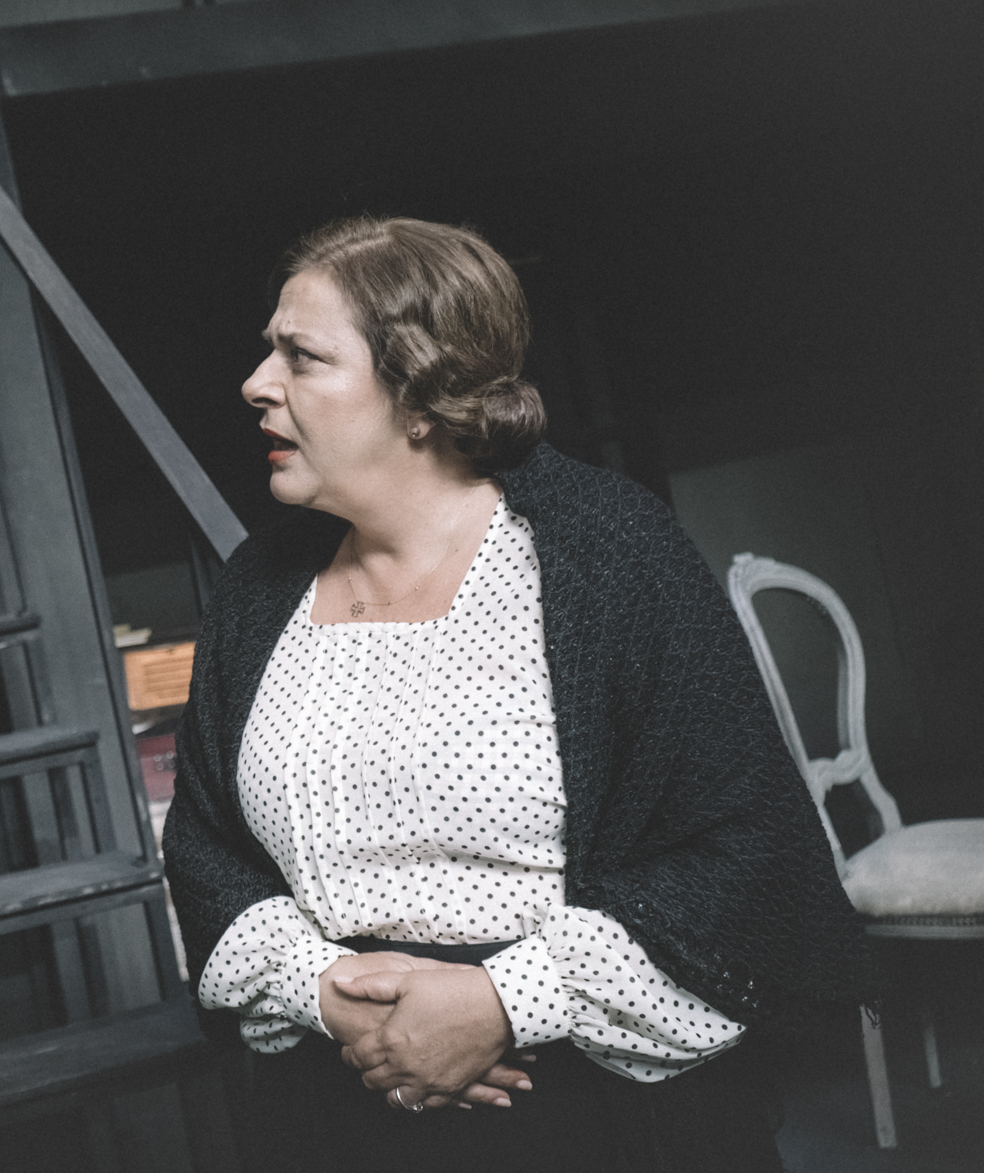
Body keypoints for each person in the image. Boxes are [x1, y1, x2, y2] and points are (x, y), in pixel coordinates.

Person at [162, 217, 871, 1172]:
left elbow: (750, 849)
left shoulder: (607, 555)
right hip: (341, 1102)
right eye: (268, 350)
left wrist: (504, 1000)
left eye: (302, 355)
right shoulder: (259, 588)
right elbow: (205, 843)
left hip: (595, 1110)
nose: (258, 382)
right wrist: (321, 988)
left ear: (420, 394)